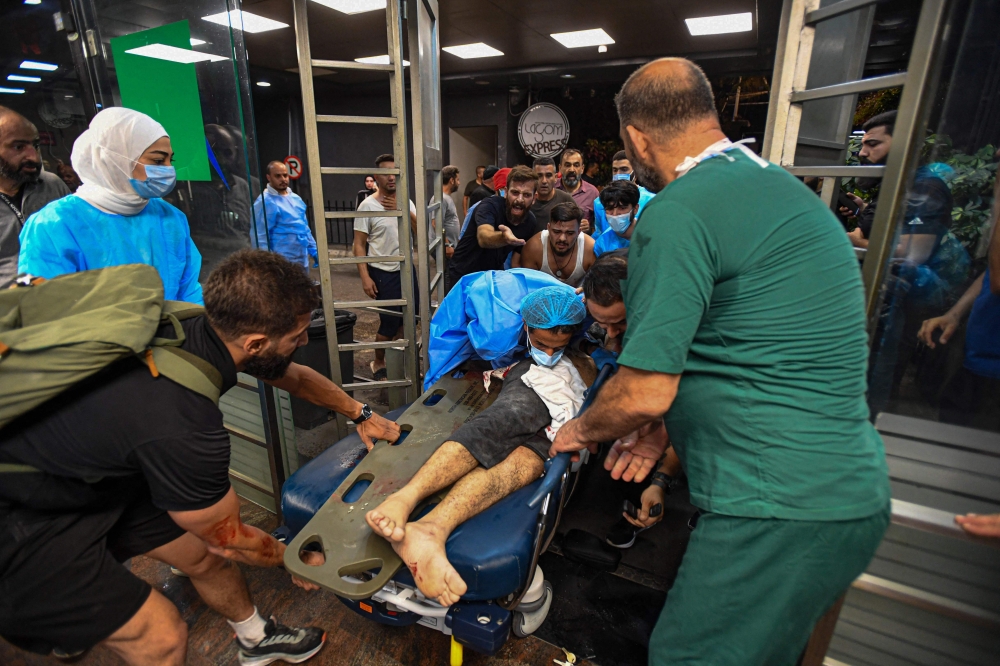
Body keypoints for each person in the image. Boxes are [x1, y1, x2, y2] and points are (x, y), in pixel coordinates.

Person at [551, 58, 891, 666]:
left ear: (636, 138)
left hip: (775, 505)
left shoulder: (679, 211)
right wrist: (664, 430)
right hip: (842, 490)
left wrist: (577, 431)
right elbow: (759, 345)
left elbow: (643, 389)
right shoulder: (784, 192)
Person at [0, 250, 401, 665]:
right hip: (21, 512)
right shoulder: (184, 425)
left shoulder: (192, 323)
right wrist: (300, 560)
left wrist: (360, 413)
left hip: (88, 468)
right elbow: (233, 542)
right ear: (256, 344)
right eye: (298, 335)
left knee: (199, 554)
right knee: (161, 636)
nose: (304, 341)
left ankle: (254, 638)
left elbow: (292, 376)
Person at [364, 285, 593, 606]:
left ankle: (430, 529)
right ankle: (404, 498)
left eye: (559, 347)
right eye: (542, 344)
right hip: (534, 382)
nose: (550, 355)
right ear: (526, 328)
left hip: (566, 413)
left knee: (530, 462)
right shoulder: (512, 324)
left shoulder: (585, 329)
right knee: (510, 416)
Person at [18, 107, 203, 303]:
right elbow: (45, 307)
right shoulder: (52, 225)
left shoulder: (169, 216)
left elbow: (189, 289)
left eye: (170, 160)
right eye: (157, 160)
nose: (169, 169)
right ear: (114, 159)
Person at [354, 153, 419, 379]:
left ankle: (400, 360)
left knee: (410, 318)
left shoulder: (406, 201)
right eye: (386, 173)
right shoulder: (367, 206)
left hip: (406, 269)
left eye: (395, 172)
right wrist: (365, 277)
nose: (391, 177)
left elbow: (419, 232)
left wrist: (401, 209)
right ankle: (378, 361)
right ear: (376, 178)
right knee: (389, 323)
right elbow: (359, 244)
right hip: (383, 271)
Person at [0, 106, 70, 288]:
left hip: (62, 297)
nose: (34, 156)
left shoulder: (52, 184)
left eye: (36, 145)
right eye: (18, 147)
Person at [446, 165, 538, 289]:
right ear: (505, 192)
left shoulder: (530, 222)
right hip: (463, 276)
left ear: (534, 199)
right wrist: (503, 238)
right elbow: (484, 237)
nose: (519, 199)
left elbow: (516, 260)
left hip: (492, 280)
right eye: (515, 193)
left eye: (526, 195)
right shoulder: (489, 206)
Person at [840, 111, 894, 248]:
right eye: (863, 144)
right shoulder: (892, 185)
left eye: (873, 144)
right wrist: (863, 208)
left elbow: (914, 254)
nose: (862, 152)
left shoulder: (925, 188)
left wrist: (858, 242)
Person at [252, 160, 318, 271]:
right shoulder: (265, 201)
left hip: (301, 258)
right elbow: (260, 236)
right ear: (269, 177)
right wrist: (265, 263)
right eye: (278, 176)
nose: (283, 179)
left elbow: (304, 228)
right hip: (280, 261)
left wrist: (314, 250)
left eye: (285, 175)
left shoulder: (295, 199)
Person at [515, 201, 595, 288]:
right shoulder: (534, 248)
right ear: (548, 228)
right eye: (557, 232)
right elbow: (528, 287)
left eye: (570, 233)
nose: (562, 238)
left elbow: (596, 288)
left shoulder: (590, 249)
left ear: (579, 232)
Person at [593, 150, 655, 236]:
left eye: (624, 169)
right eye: (615, 170)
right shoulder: (599, 202)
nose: (618, 174)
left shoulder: (651, 200)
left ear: (636, 172)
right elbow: (599, 233)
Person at [593, 180, 640, 256]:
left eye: (622, 208)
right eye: (610, 208)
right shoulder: (602, 244)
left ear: (635, 209)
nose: (615, 214)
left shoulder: (650, 235)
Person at [557, 148, 598, 231]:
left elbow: (600, 226)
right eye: (567, 165)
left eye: (576, 165)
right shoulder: (552, 189)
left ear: (582, 169)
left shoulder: (593, 193)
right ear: (560, 168)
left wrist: (589, 227)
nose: (572, 170)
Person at [530, 156, 574, 226]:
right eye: (539, 176)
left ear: (555, 178)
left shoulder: (566, 200)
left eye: (548, 175)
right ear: (533, 178)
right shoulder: (527, 200)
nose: (544, 181)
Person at [432, 164, 461, 257]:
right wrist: (447, 244)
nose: (459, 183)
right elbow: (436, 223)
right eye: (458, 180)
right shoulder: (442, 198)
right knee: (447, 271)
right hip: (444, 248)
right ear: (451, 180)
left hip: (449, 246)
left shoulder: (446, 197)